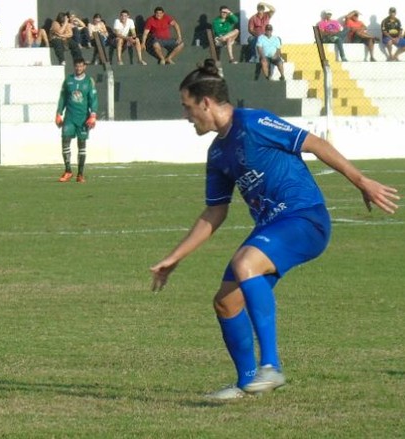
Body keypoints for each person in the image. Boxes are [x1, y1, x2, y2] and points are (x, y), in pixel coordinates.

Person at [150, 59, 399, 400]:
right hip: (272, 226)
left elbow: (313, 143)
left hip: (304, 218)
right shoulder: (217, 152)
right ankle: (246, 382)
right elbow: (215, 212)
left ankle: (272, 366)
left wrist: (361, 181)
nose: (186, 115)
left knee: (245, 263)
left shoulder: (253, 122)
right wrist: (175, 257)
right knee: (226, 301)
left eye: (187, 106)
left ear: (205, 102)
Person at [55, 58, 98, 183]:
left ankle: (80, 174)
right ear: (74, 67)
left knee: (82, 145)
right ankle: (68, 171)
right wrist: (58, 113)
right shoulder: (68, 80)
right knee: (65, 141)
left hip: (83, 118)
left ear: (84, 67)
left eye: (81, 66)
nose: (78, 68)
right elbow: (62, 98)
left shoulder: (89, 81)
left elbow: (93, 98)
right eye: (76, 66)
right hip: (69, 117)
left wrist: (93, 115)